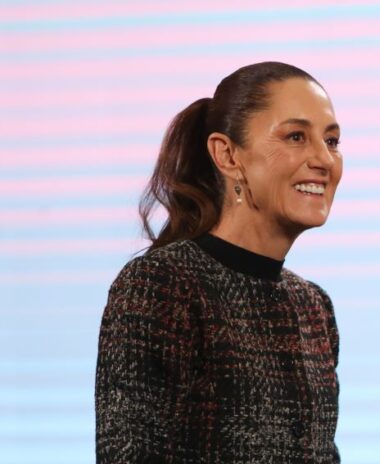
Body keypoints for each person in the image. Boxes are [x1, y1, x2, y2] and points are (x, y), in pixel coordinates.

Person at [95, 61, 343, 463]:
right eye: (296, 136)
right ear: (227, 154)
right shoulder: (162, 284)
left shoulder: (313, 306)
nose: (324, 160)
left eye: (331, 141)